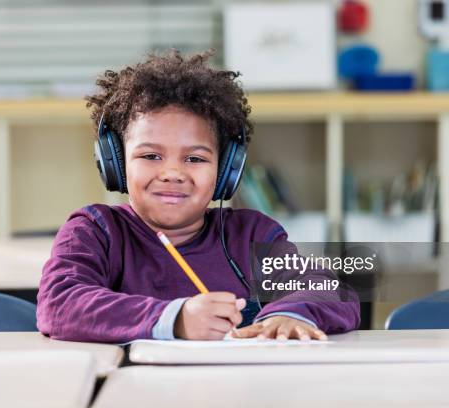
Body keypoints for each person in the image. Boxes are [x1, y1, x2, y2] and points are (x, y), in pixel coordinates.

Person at [36, 50, 360, 343]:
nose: (173, 173)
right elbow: (60, 303)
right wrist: (176, 318)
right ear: (117, 164)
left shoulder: (252, 234)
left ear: (226, 170)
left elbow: (334, 290)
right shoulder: (96, 230)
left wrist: (289, 314)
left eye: (195, 158)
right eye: (151, 156)